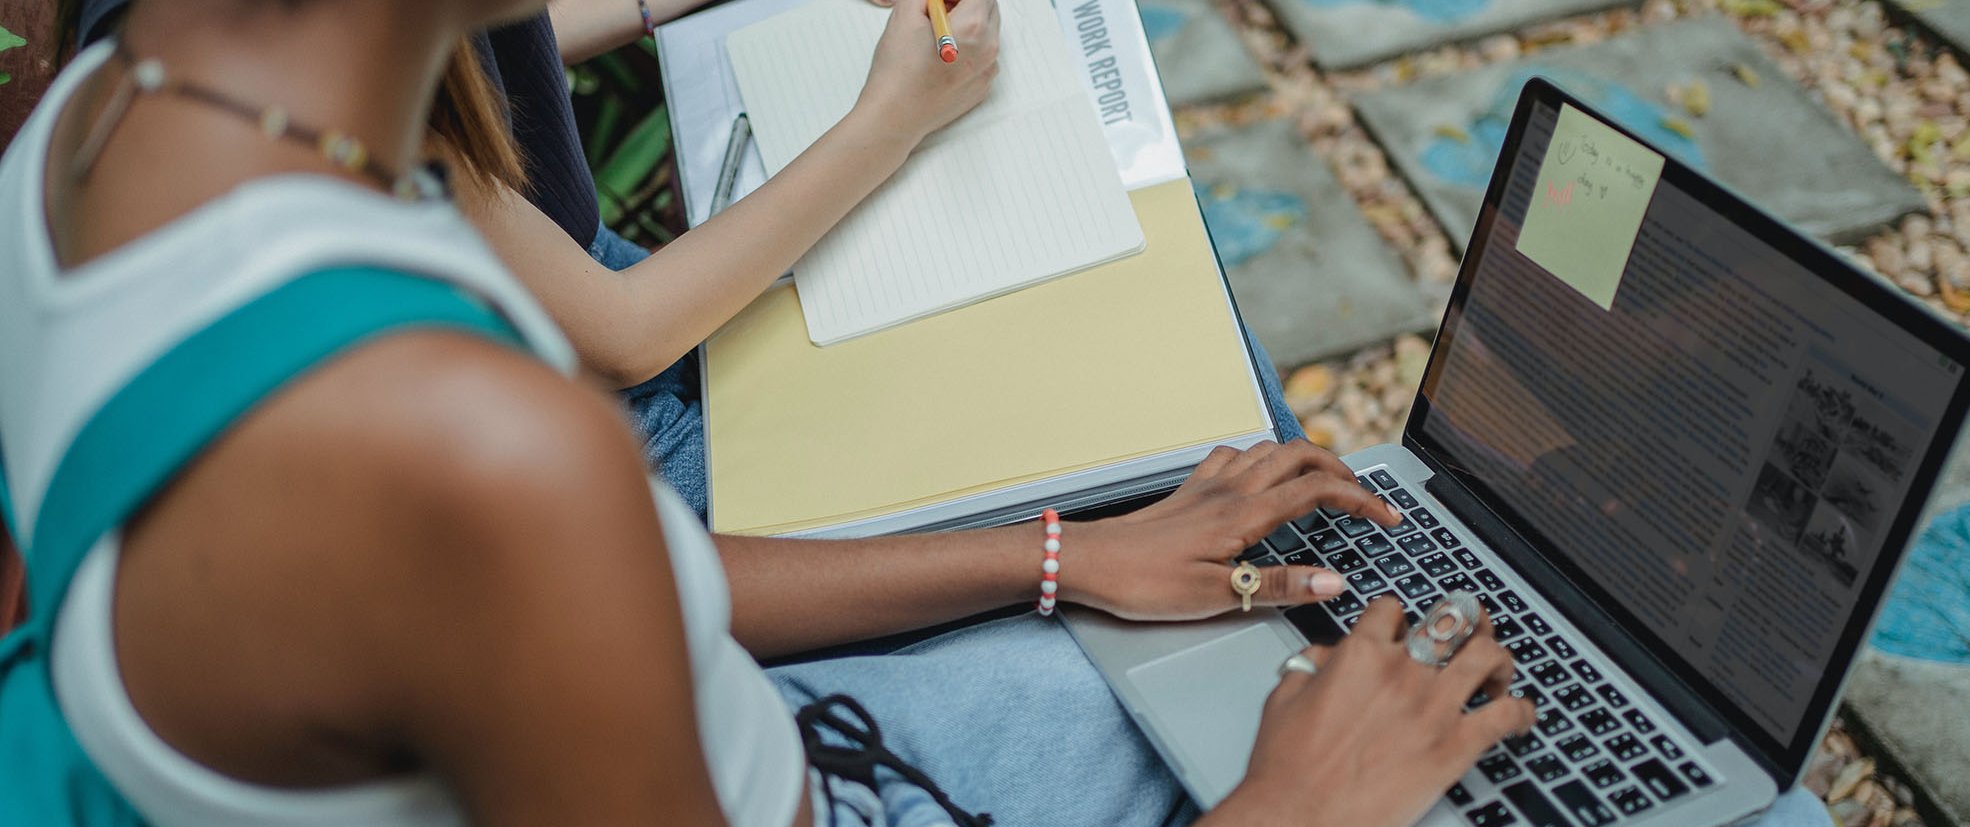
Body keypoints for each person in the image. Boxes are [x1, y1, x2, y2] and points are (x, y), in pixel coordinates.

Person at [4, 1, 1851, 827]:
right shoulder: (479, 457)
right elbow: (539, 546)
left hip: (814, 769)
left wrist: (1059, 553)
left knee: (1260, 571)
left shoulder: (99, 128)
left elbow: (611, 592)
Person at [65, 0, 1307, 521]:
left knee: (1177, 320)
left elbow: (506, 29)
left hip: (593, 360)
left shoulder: (264, 32)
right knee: (1178, 387)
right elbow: (619, 334)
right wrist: (889, 120)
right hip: (627, 432)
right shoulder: (306, 123)